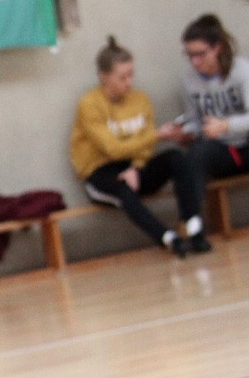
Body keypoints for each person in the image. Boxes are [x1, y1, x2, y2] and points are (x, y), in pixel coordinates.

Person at [69, 36, 208, 258]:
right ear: (104, 76)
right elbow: (112, 149)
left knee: (176, 158)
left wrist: (136, 166)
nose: (129, 82)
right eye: (122, 77)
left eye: (131, 75)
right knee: (124, 190)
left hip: (133, 164)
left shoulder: (141, 99)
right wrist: (157, 135)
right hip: (100, 170)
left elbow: (145, 144)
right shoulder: (89, 104)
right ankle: (167, 238)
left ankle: (193, 226)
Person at [164, 13, 249, 237]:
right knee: (196, 153)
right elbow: (196, 119)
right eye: (190, 55)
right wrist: (185, 132)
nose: (195, 62)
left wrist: (226, 125)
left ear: (217, 48)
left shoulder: (241, 69)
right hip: (226, 151)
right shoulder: (188, 81)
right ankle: (190, 220)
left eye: (200, 54)